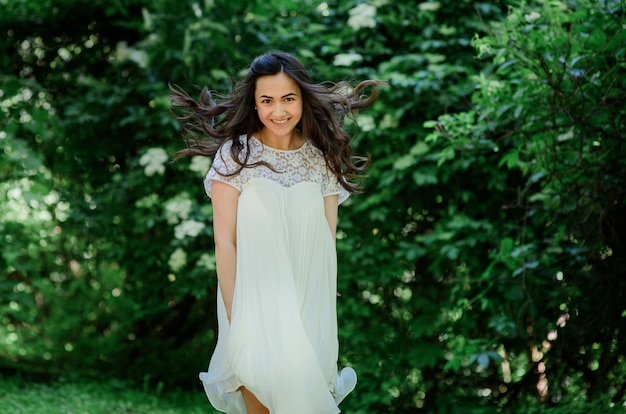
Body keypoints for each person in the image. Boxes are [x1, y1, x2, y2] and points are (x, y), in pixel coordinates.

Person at [170, 51, 382, 414]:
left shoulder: (321, 160)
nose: (278, 111)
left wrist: (321, 322)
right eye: (266, 100)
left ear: (302, 99)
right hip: (253, 310)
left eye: (288, 99)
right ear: (254, 103)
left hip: (308, 309)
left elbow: (326, 244)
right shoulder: (234, 156)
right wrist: (239, 322)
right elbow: (226, 242)